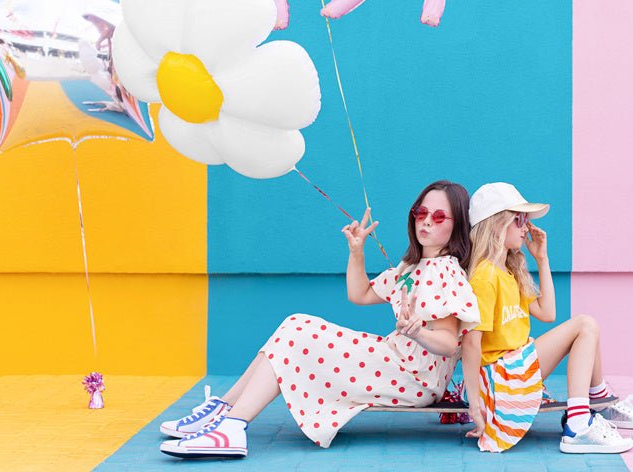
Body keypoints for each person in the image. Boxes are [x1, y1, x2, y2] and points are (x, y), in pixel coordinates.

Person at [160, 180, 481, 458]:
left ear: (456, 226)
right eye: (420, 212)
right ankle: (225, 411)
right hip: (395, 361)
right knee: (294, 325)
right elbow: (360, 294)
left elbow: (448, 342)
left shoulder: (445, 271)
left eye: (438, 216)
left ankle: (231, 425)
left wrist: (417, 332)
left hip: (413, 377)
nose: (426, 221)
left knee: (297, 333)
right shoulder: (411, 267)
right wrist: (357, 252)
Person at [461, 182, 633, 455]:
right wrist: (474, 405)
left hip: (514, 370)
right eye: (519, 219)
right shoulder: (485, 276)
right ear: (495, 224)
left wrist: (542, 259)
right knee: (584, 325)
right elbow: (471, 344)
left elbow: (547, 313)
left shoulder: (509, 272)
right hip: (500, 379)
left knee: (589, 329)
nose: (526, 227)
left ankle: (598, 403)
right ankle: (578, 425)